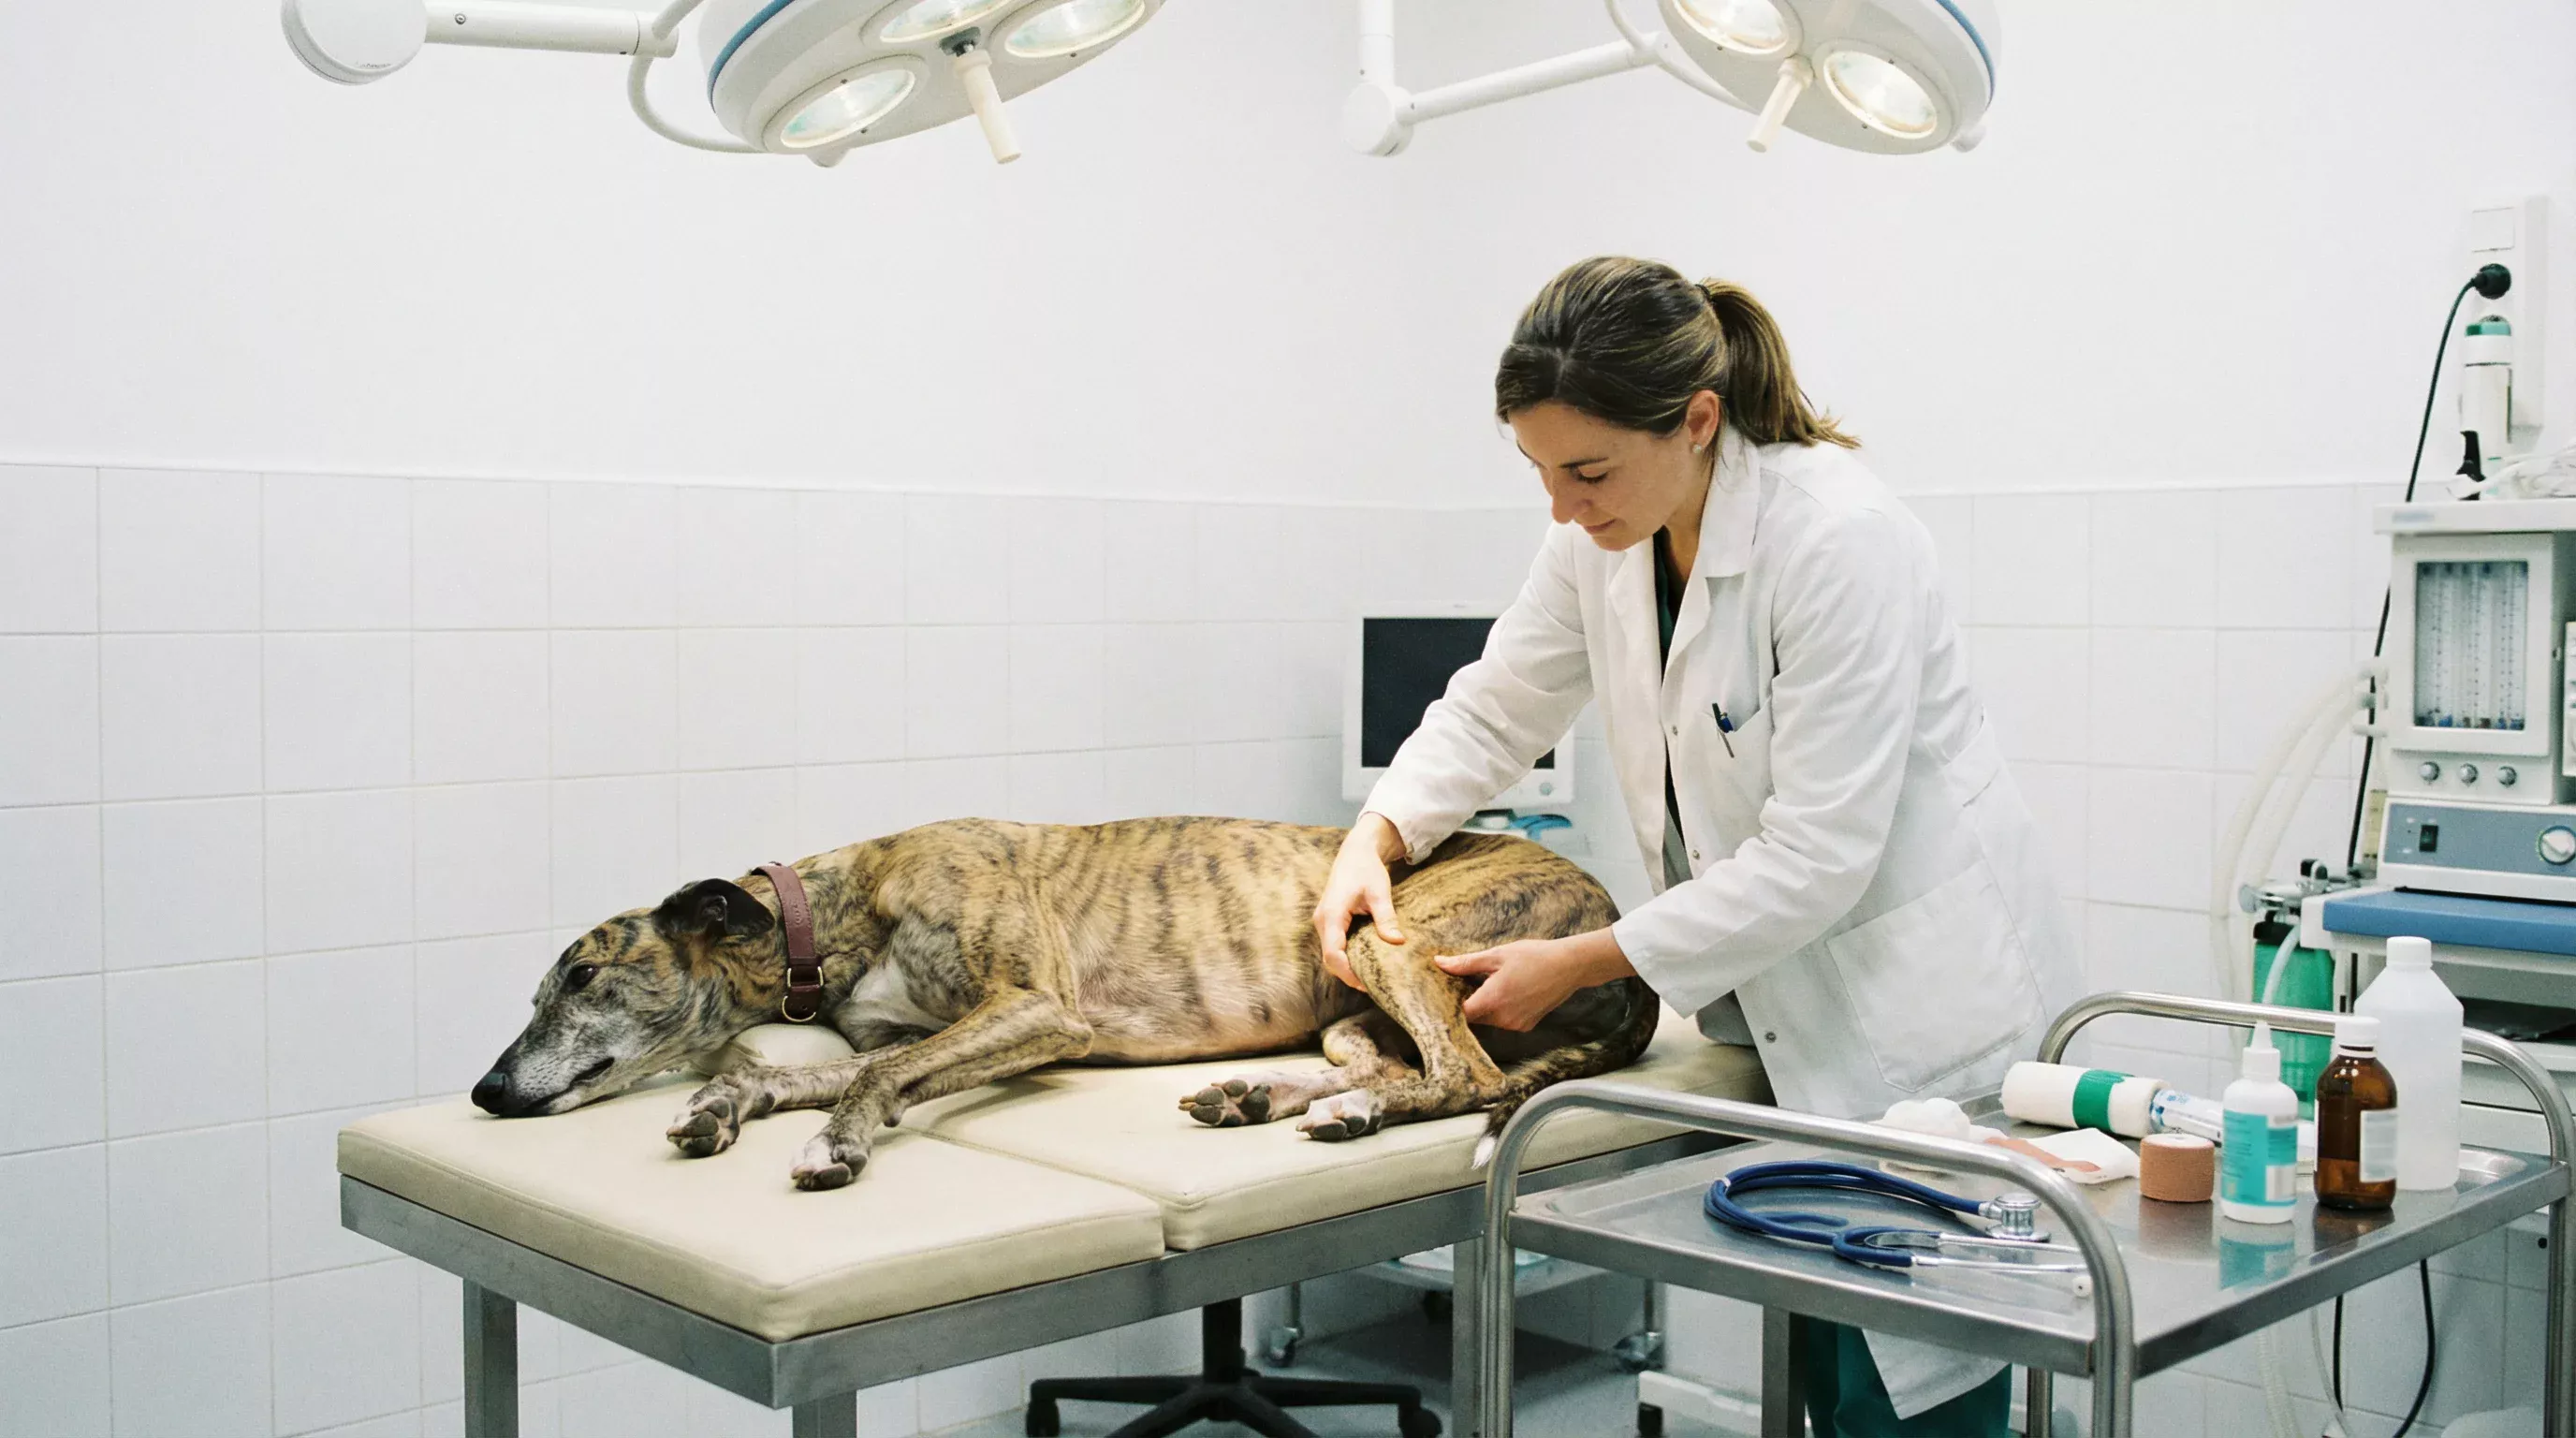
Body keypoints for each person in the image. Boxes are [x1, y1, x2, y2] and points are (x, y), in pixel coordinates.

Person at [1312, 256, 2084, 1438]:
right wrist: (1379, 832)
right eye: (1538, 472)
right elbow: (1498, 702)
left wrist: (1584, 960)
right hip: (1787, 1009)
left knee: (1926, 1382)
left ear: (1700, 420)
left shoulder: (1838, 539)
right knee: (1834, 1362)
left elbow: (1820, 854)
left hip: (1914, 1012)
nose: (1563, 507)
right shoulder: (1599, 537)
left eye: (1586, 470)